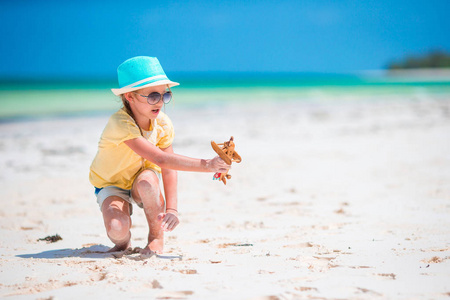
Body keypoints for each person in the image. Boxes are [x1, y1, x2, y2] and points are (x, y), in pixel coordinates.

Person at [89, 56, 230, 254]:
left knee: (147, 181)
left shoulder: (162, 124)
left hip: (143, 177)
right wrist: (207, 165)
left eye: (165, 95)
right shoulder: (120, 124)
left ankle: (156, 238)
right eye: (153, 96)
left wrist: (172, 209)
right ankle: (123, 242)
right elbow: (160, 158)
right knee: (117, 228)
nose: (161, 102)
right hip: (112, 182)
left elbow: (168, 168)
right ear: (129, 96)